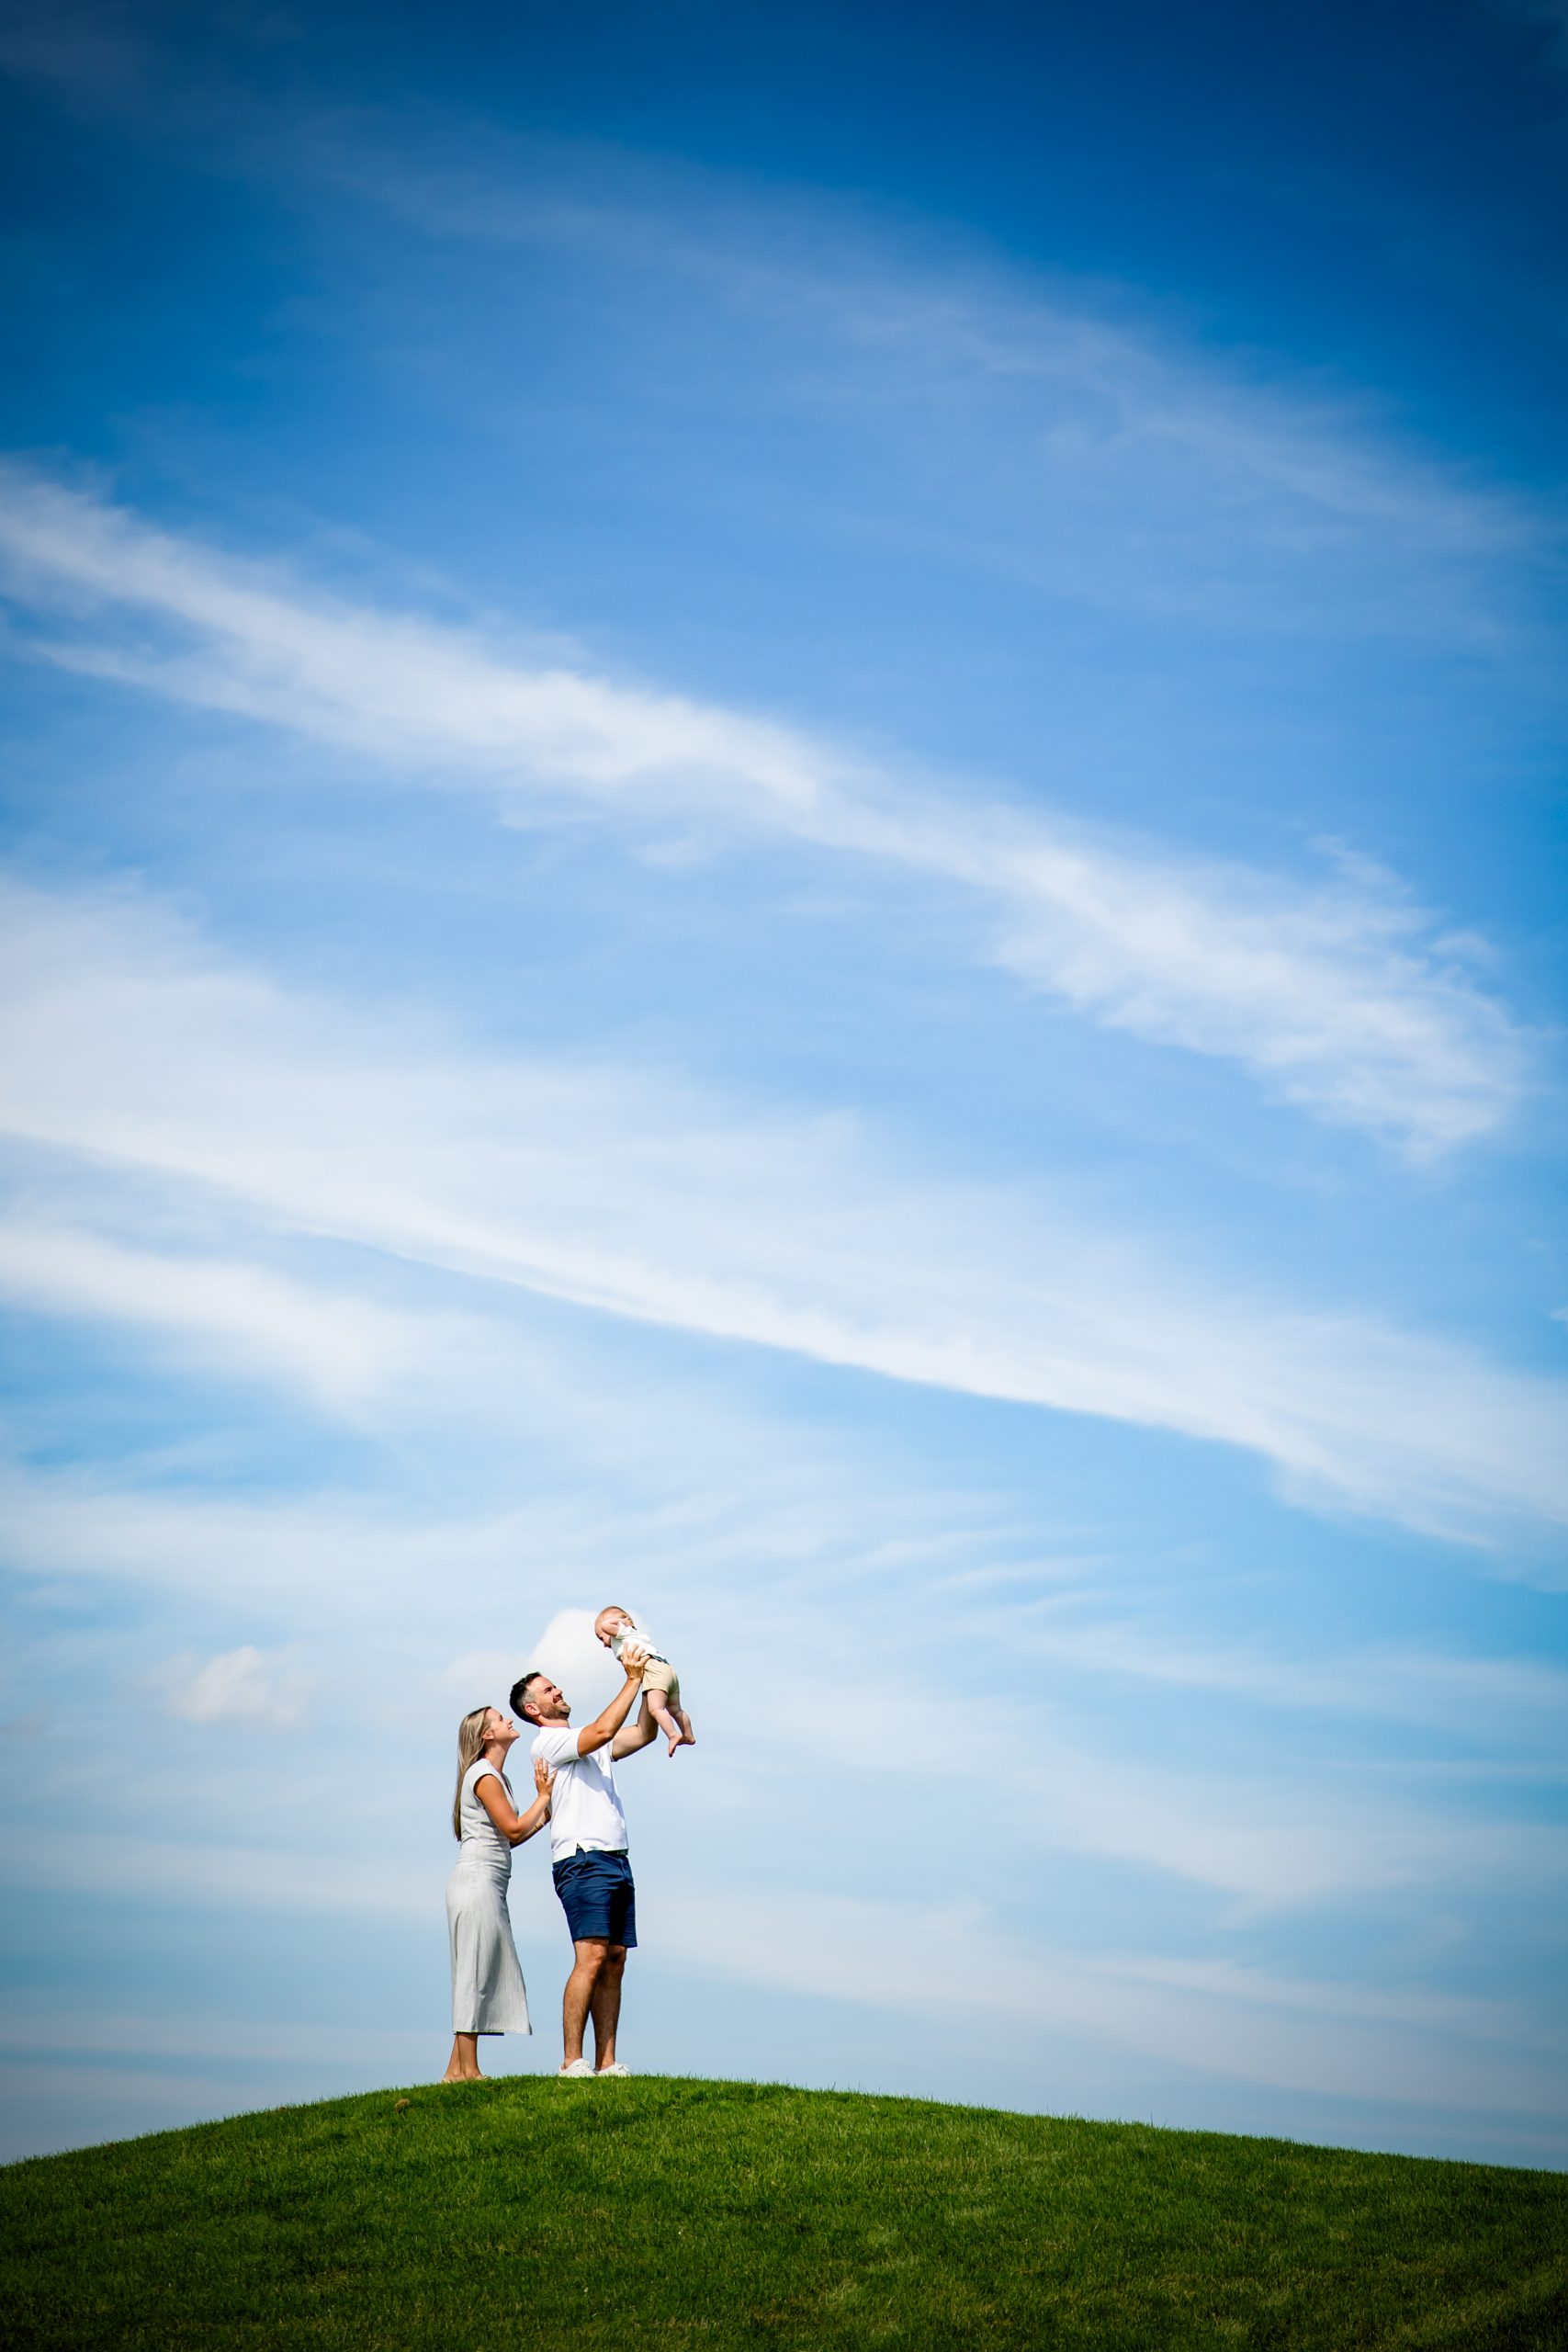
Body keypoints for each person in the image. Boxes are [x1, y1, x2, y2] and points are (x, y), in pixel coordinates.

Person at [510, 1644, 656, 2078]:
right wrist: (630, 1679)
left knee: (614, 1958)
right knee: (590, 1956)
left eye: (556, 1686)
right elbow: (600, 1731)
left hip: (614, 1857)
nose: (558, 1692)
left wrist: (652, 1683)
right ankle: (571, 2060)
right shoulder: (550, 1741)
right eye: (548, 1690)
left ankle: (606, 2062)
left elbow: (641, 1732)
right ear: (534, 1709)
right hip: (582, 1858)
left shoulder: (587, 1744)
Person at [443, 1704, 554, 2085]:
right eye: (499, 1718)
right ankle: (469, 2071)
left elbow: (515, 1836)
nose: (508, 1720)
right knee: (474, 1971)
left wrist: (545, 1812)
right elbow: (512, 1828)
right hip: (476, 1882)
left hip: (487, 1881)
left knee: (477, 1968)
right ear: (487, 1735)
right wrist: (542, 1796)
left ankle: (455, 2071)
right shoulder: (484, 1774)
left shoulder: (496, 1777)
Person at [593, 1602, 694, 1756]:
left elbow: (606, 1625)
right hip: (665, 1668)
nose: (604, 1644)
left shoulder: (623, 1632)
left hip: (653, 1670)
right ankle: (688, 1735)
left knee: (655, 1708)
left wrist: (618, 1622)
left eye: (601, 1637)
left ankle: (673, 1734)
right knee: (675, 1709)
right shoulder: (634, 1636)